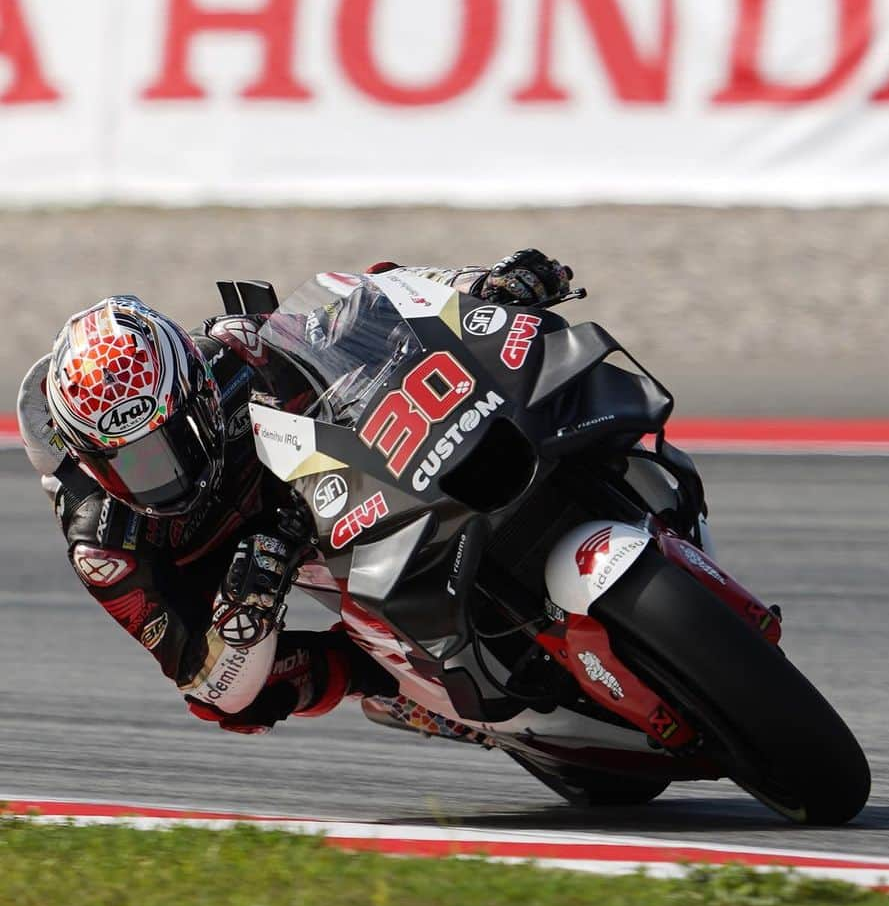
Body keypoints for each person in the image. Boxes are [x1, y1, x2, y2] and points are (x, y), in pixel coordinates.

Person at [15, 250, 572, 734]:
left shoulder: (232, 355)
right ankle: (395, 688)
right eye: (134, 463)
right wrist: (247, 608)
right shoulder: (105, 545)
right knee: (237, 706)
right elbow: (211, 685)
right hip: (244, 572)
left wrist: (477, 285)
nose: (166, 476)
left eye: (175, 440)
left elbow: (371, 297)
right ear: (92, 460)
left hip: (325, 487)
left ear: (198, 392)